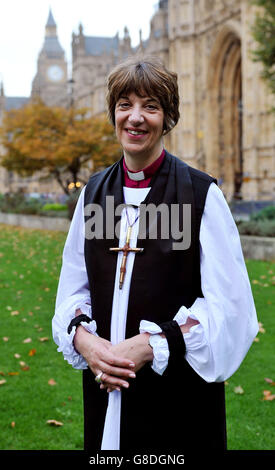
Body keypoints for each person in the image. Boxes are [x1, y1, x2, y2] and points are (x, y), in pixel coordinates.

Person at [52, 56, 259, 452]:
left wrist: (151, 344)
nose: (136, 117)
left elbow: (232, 311)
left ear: (167, 118)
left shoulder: (200, 196)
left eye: (151, 106)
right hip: (105, 391)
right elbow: (73, 289)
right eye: (125, 105)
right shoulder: (94, 196)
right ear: (113, 114)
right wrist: (85, 341)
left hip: (177, 403)